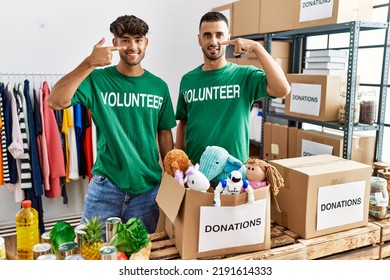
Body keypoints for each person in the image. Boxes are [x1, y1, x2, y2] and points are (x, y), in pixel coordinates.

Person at [47, 15, 176, 235]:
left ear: (146, 42)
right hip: (106, 187)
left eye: (138, 39)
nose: (132, 46)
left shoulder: (159, 86)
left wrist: (172, 175)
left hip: (148, 189)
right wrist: (89, 62)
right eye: (125, 39)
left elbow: (164, 133)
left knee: (138, 256)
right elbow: (55, 101)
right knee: (91, 251)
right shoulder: (97, 79)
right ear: (115, 43)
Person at [175, 11, 291, 165]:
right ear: (199, 39)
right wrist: (180, 161)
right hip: (196, 170)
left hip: (233, 172)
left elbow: (282, 90)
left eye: (219, 35)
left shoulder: (244, 75)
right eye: (207, 35)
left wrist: (257, 47)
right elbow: (183, 123)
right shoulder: (188, 79)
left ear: (228, 37)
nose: (213, 41)